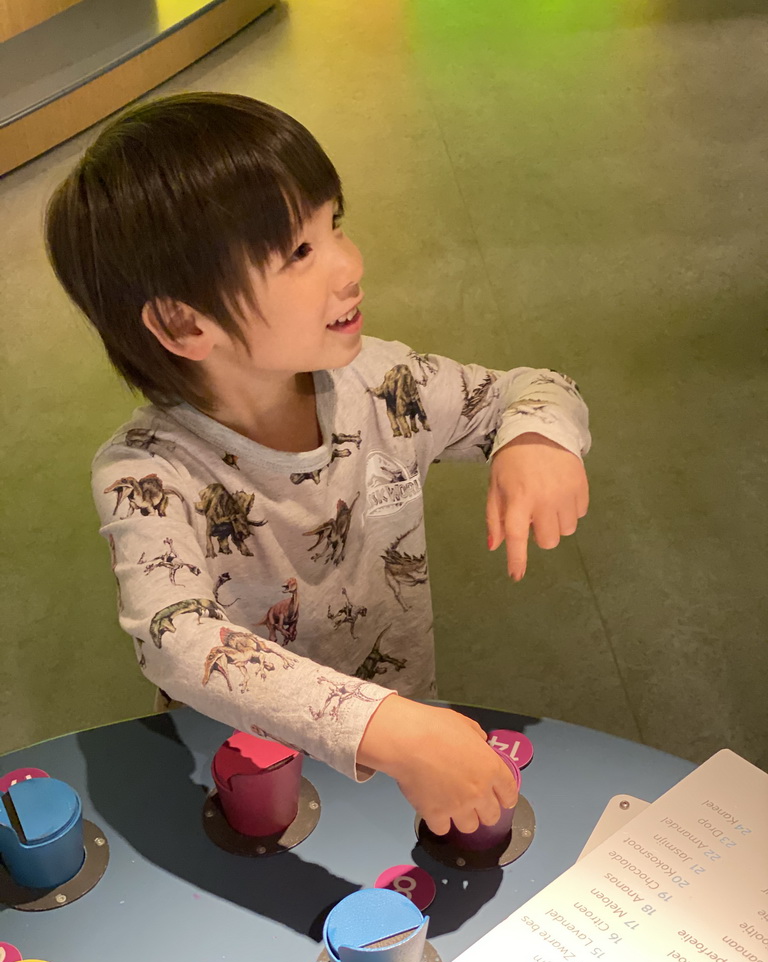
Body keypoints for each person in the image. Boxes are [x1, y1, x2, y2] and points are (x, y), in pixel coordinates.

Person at [45, 92, 590, 839]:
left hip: (405, 747)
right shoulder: (147, 475)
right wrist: (391, 730)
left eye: (334, 225)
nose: (349, 264)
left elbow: (526, 391)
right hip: (249, 776)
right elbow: (178, 638)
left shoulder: (381, 383)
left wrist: (535, 440)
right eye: (300, 253)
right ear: (183, 322)